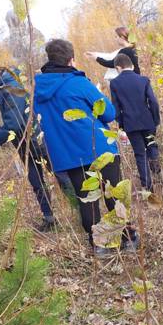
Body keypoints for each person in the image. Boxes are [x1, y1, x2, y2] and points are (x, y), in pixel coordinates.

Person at [34, 38, 139, 257]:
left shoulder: (38, 90)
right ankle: (127, 239)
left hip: (67, 155)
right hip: (99, 147)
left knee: (87, 200)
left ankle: (99, 246)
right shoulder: (78, 83)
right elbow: (109, 113)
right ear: (71, 59)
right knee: (114, 193)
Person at [0, 47, 56, 232]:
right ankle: (50, 218)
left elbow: (13, 126)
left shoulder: (9, 85)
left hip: (34, 141)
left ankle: (81, 211)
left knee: (59, 176)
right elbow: (1, 99)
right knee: (37, 181)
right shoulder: (5, 80)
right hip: (27, 143)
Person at [109, 53, 161, 191]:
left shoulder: (114, 83)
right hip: (148, 121)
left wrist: (122, 124)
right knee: (152, 147)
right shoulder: (143, 80)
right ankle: (159, 179)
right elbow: (153, 102)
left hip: (130, 124)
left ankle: (148, 187)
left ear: (118, 68)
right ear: (131, 66)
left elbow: (115, 107)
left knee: (140, 154)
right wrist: (155, 120)